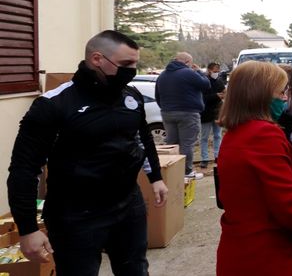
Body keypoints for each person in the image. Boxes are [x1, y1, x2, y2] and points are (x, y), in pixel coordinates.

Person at [7, 30, 168, 275]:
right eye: (126, 64)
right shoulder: (53, 105)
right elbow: (24, 168)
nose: (132, 71)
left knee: (136, 270)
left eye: (136, 64)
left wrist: (155, 177)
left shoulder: (130, 96)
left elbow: (142, 137)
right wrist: (28, 228)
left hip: (128, 205)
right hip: (75, 215)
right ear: (97, 59)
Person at [215, 61, 292, 276]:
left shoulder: (236, 132)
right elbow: (290, 209)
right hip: (266, 255)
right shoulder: (263, 134)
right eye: (281, 92)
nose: (285, 98)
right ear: (261, 94)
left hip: (240, 249)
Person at [155, 52, 210, 179]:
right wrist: (199, 72)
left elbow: (158, 96)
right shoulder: (188, 72)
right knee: (187, 144)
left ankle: (170, 170)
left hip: (167, 113)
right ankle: (187, 172)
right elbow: (206, 85)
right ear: (187, 62)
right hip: (188, 113)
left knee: (172, 143)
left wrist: (165, 108)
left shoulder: (162, 75)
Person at [200, 62, 226, 169]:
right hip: (205, 113)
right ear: (209, 70)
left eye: (218, 71)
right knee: (204, 137)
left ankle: (217, 156)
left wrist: (224, 94)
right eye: (215, 71)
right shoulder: (203, 81)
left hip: (217, 112)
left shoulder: (219, 81)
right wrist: (216, 96)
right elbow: (202, 97)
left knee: (217, 136)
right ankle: (204, 158)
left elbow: (224, 92)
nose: (217, 73)